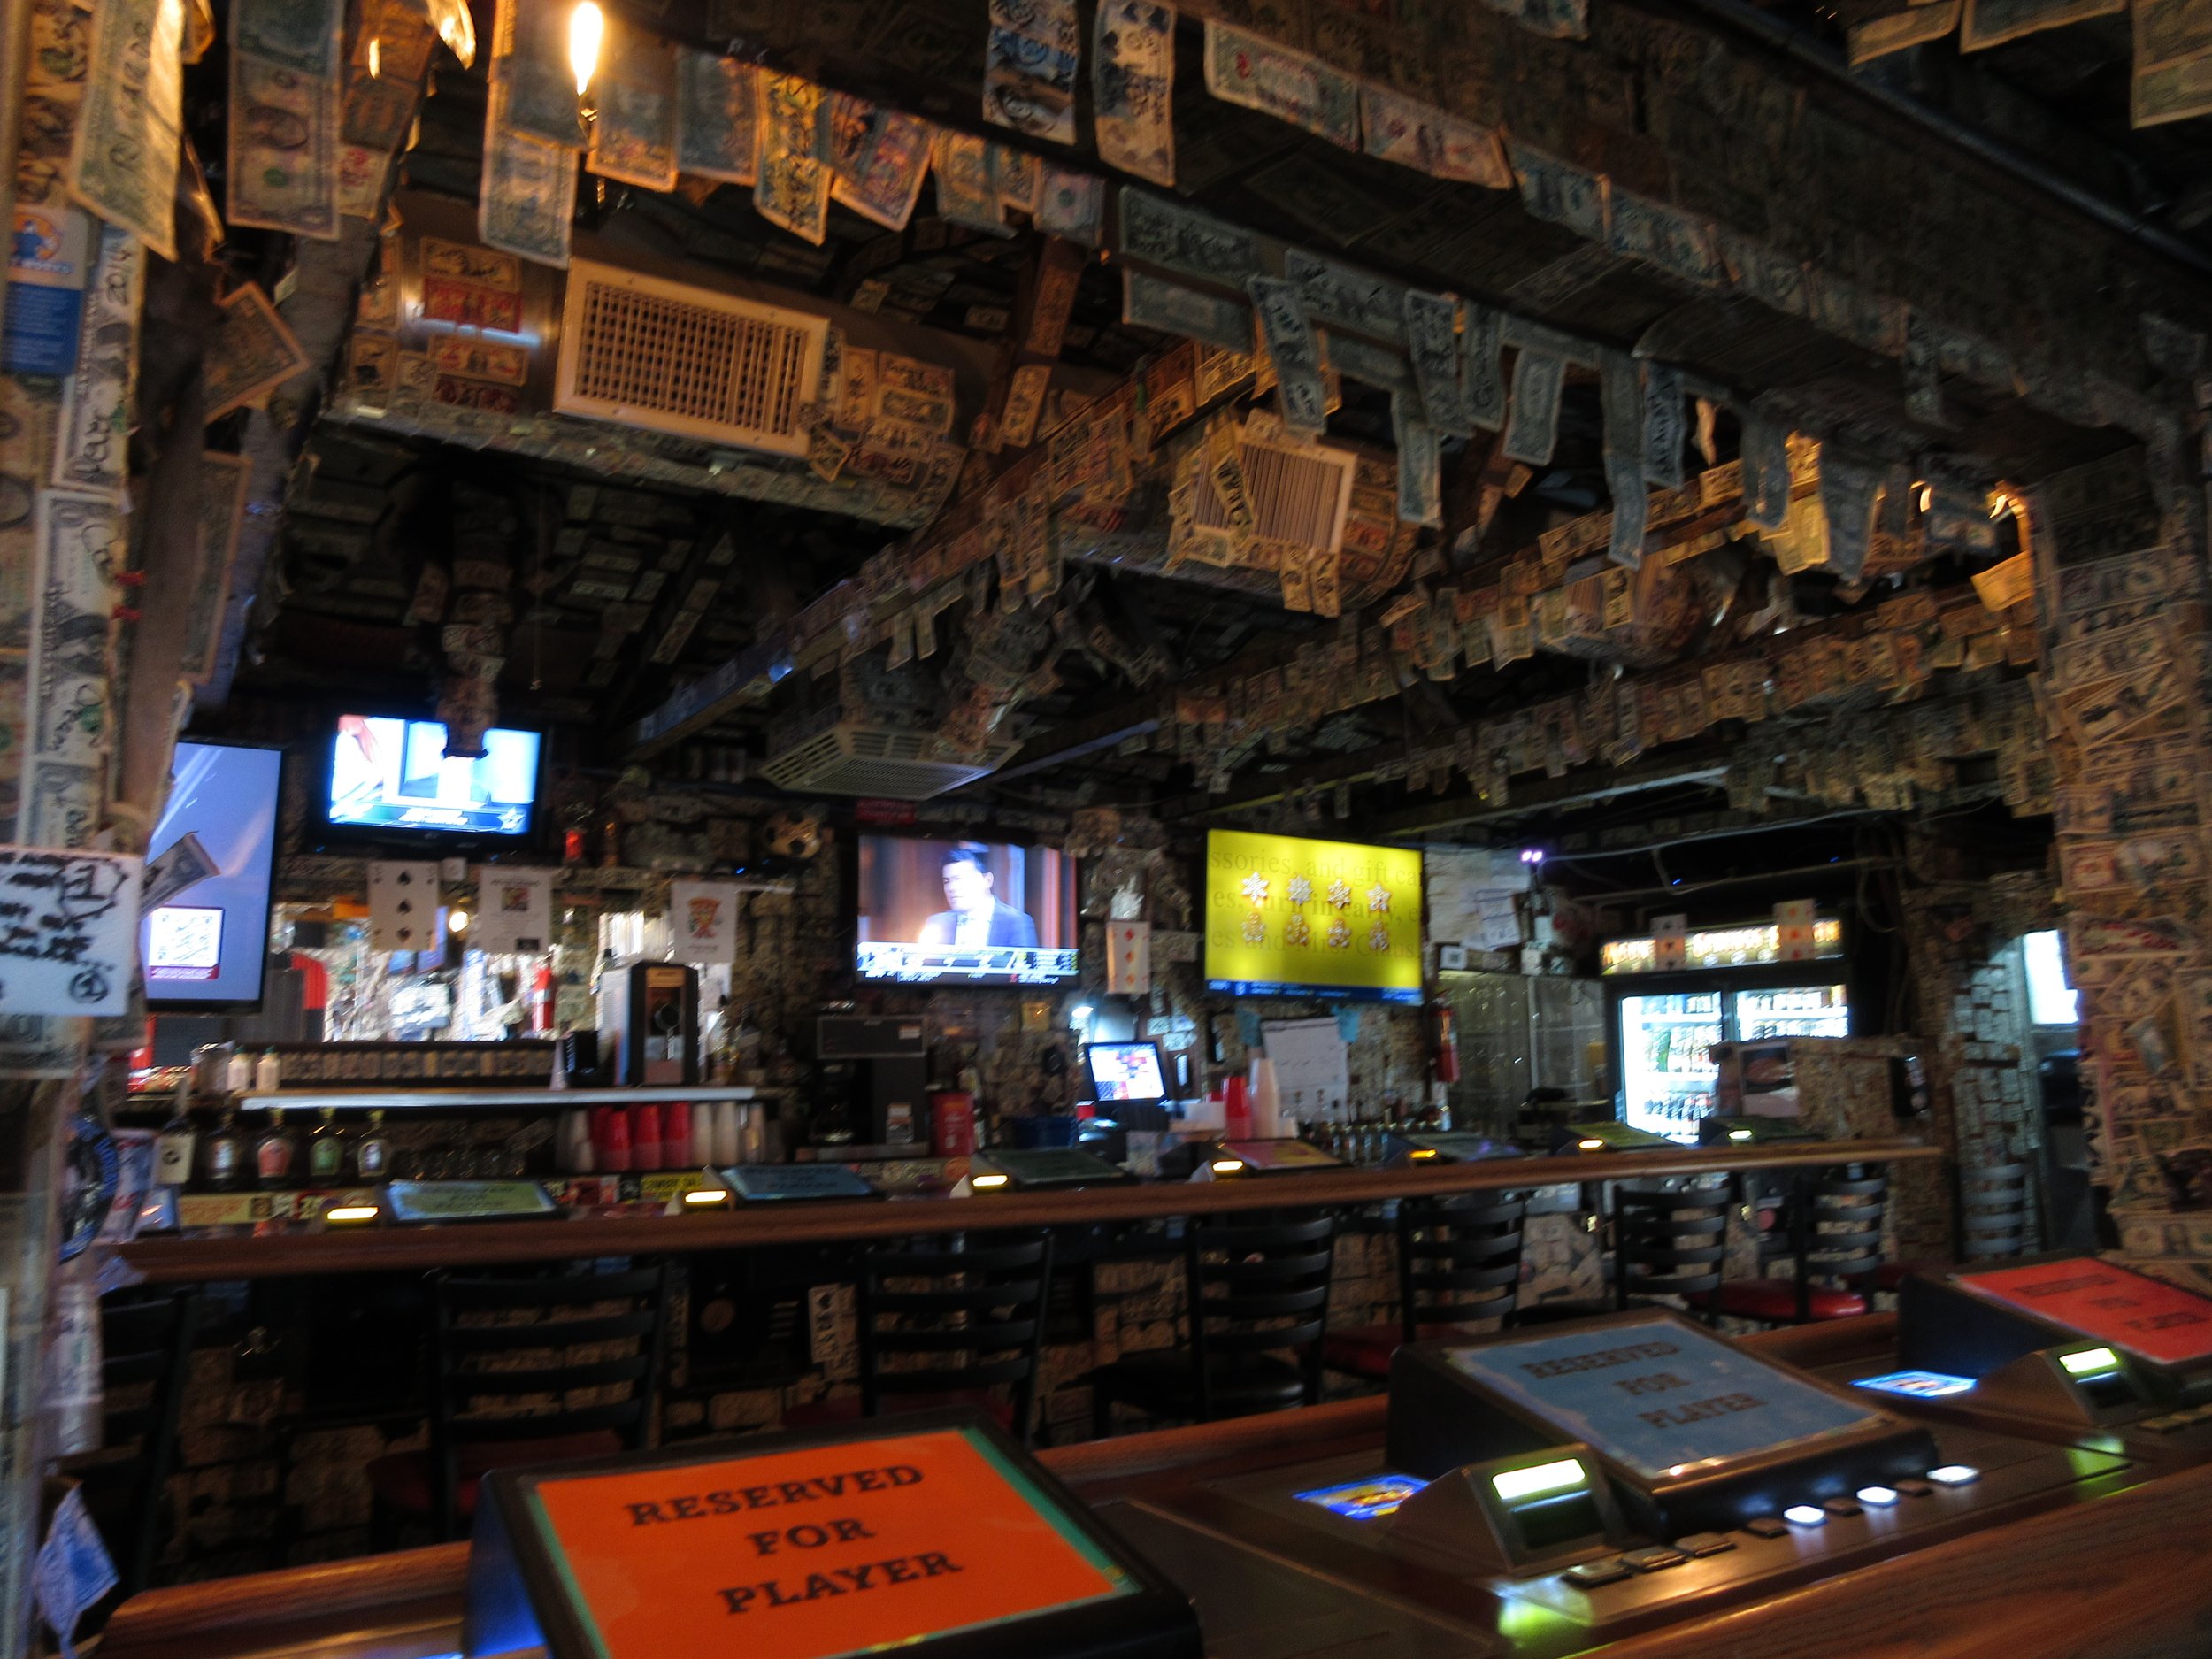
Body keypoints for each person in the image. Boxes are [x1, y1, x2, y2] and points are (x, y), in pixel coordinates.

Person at [918, 844, 1038, 949]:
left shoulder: (1016, 922)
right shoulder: (937, 923)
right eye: (947, 881)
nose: (951, 887)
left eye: (960, 879)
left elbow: (1023, 973)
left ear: (987, 880)